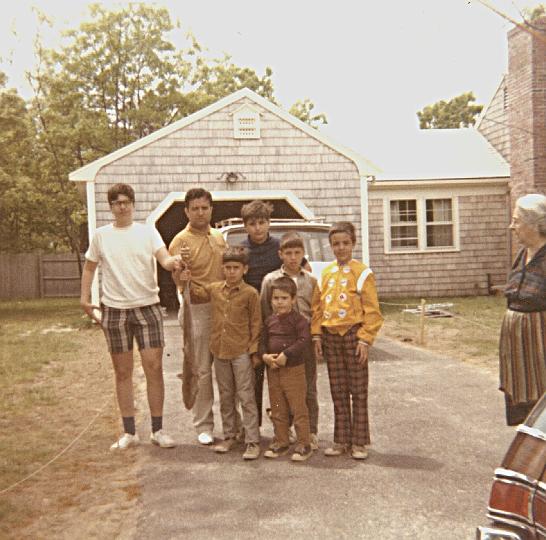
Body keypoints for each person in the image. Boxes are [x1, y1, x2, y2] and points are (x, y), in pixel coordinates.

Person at [80, 183, 181, 451]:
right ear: (111, 207)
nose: (122, 207)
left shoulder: (148, 232)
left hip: (147, 307)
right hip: (114, 310)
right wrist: (85, 299)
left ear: (133, 204)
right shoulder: (101, 235)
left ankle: (158, 430)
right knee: (122, 371)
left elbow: (165, 259)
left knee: (153, 367)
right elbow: (90, 268)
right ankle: (129, 432)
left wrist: (175, 263)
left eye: (126, 202)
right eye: (116, 203)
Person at [176, 247, 262, 460]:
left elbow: (256, 323)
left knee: (246, 395)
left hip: (241, 352)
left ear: (245, 269)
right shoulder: (215, 289)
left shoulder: (250, 293)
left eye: (236, 268)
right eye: (228, 268)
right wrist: (185, 277)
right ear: (222, 269)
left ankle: (252, 440)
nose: (231, 272)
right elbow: (196, 291)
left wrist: (253, 351)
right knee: (226, 395)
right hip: (220, 351)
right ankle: (230, 435)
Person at [311, 221, 383, 460]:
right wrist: (317, 334)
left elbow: (372, 310)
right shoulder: (325, 273)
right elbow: (317, 307)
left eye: (345, 243)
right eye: (335, 244)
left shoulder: (362, 273)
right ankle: (341, 439)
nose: (340, 248)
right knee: (338, 389)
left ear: (353, 243)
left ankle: (359, 442)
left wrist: (365, 339)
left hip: (353, 336)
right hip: (331, 337)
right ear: (330, 246)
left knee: (358, 390)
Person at [169, 188, 228, 446]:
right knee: (202, 370)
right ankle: (203, 425)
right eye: (195, 208)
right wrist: (180, 277)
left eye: (205, 207)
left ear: (211, 209)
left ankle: (232, 425)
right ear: (187, 211)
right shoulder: (180, 241)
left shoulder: (219, 237)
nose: (200, 212)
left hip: (223, 308)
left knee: (227, 369)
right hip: (197, 310)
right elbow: (177, 279)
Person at [261, 232, 320, 450]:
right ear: (280, 254)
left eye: (297, 253)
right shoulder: (270, 280)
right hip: (278, 348)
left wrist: (316, 338)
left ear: (303, 254)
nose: (293, 257)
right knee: (280, 392)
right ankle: (285, 434)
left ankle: (310, 432)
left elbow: (316, 312)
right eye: (288, 253)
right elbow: (266, 314)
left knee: (307, 390)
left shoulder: (311, 281)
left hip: (302, 344)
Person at [500, 193, 546, 426]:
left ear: (534, 224)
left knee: (541, 403)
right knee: (524, 406)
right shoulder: (521, 255)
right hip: (518, 350)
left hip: (540, 348)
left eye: (517, 221)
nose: (512, 226)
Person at [240, 200, 282, 428]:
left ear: (269, 223)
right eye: (252, 223)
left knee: (278, 380)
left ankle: (281, 426)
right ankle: (252, 429)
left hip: (277, 323)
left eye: (262, 222)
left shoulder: (279, 248)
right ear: (246, 226)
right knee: (252, 380)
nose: (258, 228)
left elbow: (300, 271)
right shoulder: (241, 250)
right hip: (251, 326)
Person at [261, 277, 313, 462]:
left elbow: (304, 341)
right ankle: (281, 441)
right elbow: (262, 342)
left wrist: (287, 354)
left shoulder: (299, 321)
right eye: (276, 298)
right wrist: (265, 356)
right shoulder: (269, 321)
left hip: (293, 371)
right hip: (274, 371)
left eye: (284, 298)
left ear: (293, 299)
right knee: (277, 408)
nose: (280, 302)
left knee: (298, 407)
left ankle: (303, 443)